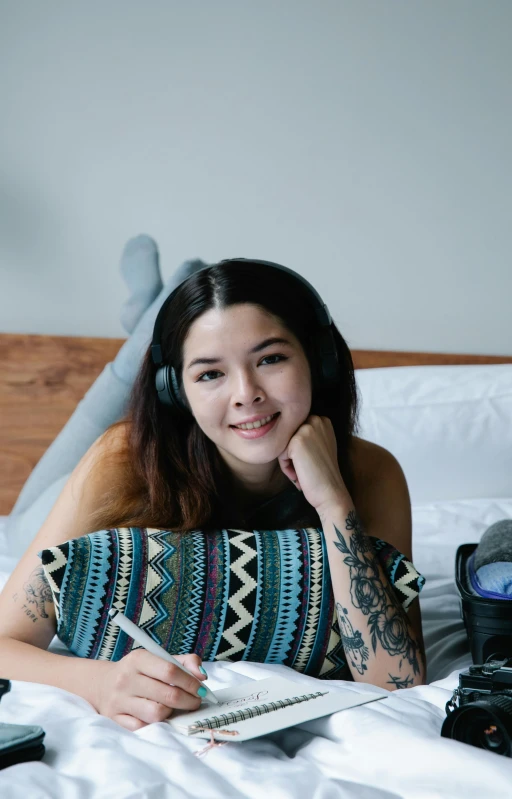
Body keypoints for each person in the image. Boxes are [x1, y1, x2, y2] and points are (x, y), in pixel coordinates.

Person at [0, 258, 427, 731]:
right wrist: (99, 682)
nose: (246, 394)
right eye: (208, 374)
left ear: (319, 360)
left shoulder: (373, 471)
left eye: (270, 359)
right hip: (76, 495)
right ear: (175, 390)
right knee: (24, 517)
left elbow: (397, 681)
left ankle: (158, 312)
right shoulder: (118, 460)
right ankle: (146, 316)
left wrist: (334, 503)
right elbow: (4, 643)